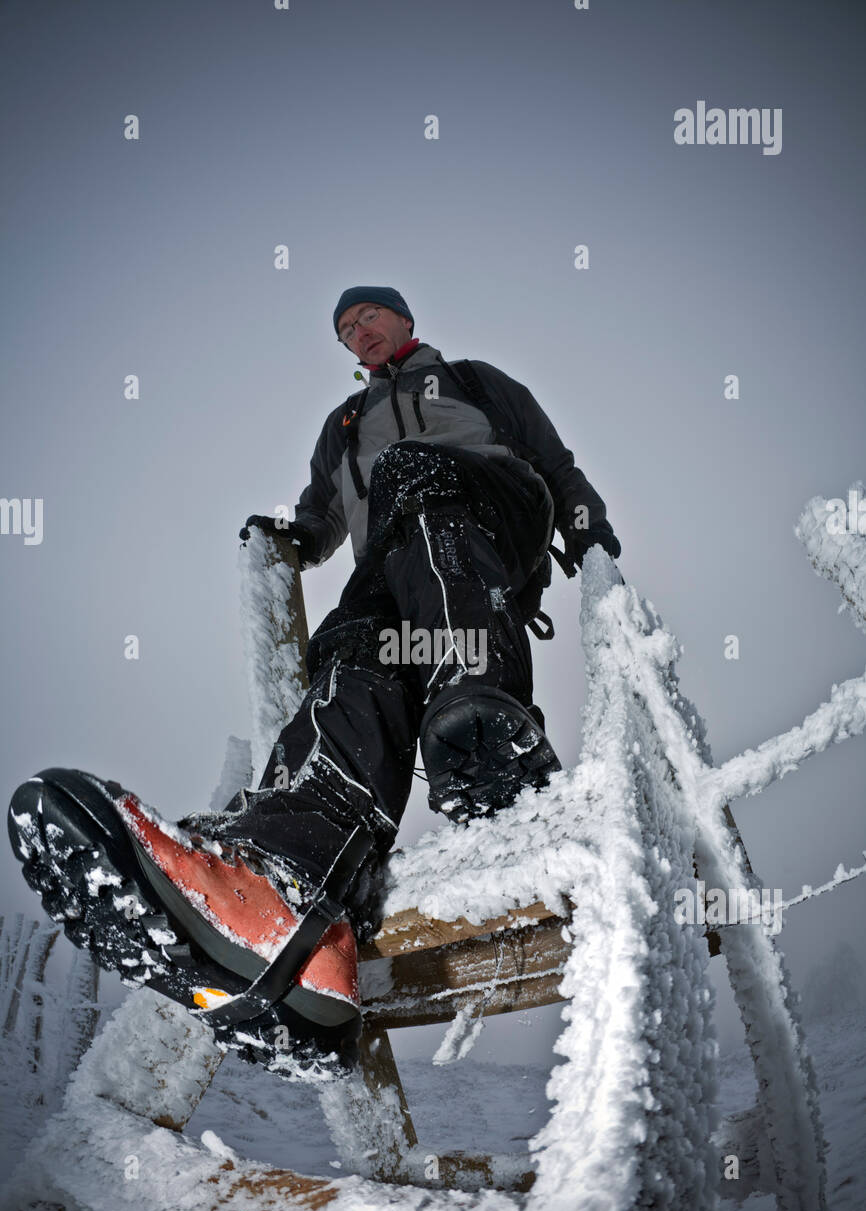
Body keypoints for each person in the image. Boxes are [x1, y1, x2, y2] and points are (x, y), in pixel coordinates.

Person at [8, 286, 620, 1068]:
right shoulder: (342, 428)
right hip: (393, 565)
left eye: (368, 318)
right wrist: (288, 537)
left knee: (414, 474)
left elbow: (552, 458)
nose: (358, 334)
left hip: (488, 519)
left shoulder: (473, 379)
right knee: (352, 647)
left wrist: (586, 526)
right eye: (344, 331)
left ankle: (479, 705)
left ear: (404, 320)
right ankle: (292, 898)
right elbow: (321, 520)